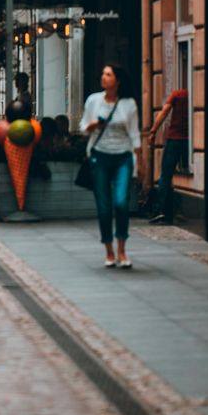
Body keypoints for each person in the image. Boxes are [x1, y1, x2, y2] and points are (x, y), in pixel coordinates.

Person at [80, 64, 143, 269]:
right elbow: (83, 128)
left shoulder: (129, 104)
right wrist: (92, 125)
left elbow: (134, 133)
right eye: (103, 74)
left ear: (117, 80)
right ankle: (109, 250)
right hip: (100, 157)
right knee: (104, 207)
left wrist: (140, 161)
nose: (104, 77)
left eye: (108, 74)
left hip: (122, 157)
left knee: (121, 203)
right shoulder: (93, 100)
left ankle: (122, 249)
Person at [147, 87, 189, 225]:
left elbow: (164, 112)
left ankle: (160, 210)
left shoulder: (178, 93)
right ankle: (176, 210)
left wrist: (153, 131)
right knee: (184, 170)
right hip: (190, 142)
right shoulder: (197, 94)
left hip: (175, 139)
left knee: (166, 175)